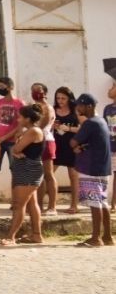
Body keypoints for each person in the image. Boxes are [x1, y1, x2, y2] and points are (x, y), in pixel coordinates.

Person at [70, 93, 113, 247]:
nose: (77, 108)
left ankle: (96, 238)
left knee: (95, 203)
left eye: (80, 105)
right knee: (102, 202)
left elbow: (73, 142)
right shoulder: (101, 120)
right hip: (102, 167)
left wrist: (77, 146)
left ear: (89, 106)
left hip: (91, 168)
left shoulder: (90, 123)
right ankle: (107, 236)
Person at [2, 104, 45, 246]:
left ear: (28, 118)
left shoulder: (33, 131)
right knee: (32, 203)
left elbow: (17, 148)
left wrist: (17, 146)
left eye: (21, 117)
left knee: (19, 205)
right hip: (26, 170)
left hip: (29, 170)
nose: (18, 119)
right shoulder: (30, 131)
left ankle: (10, 237)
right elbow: (16, 149)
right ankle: (36, 235)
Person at [0, 77, 25, 210]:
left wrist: (4, 137)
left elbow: (21, 125)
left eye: (2, 86)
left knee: (14, 171)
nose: (0, 89)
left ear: (10, 87)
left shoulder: (20, 103)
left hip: (12, 142)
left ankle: (14, 201)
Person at [30, 83, 59, 215]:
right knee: (38, 176)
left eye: (38, 90)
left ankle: (52, 207)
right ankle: (39, 206)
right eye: (33, 90)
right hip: (36, 141)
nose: (36, 92)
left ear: (45, 92)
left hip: (46, 141)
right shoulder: (34, 107)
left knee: (48, 174)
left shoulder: (47, 107)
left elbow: (42, 125)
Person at [52, 87, 81, 214]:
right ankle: (51, 205)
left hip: (71, 146)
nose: (60, 101)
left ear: (69, 98)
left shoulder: (76, 111)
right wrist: (51, 125)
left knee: (73, 176)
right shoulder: (53, 110)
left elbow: (82, 128)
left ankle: (74, 205)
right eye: (58, 98)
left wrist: (68, 129)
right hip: (56, 146)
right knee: (48, 174)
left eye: (63, 98)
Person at [104, 79, 116, 211]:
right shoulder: (107, 108)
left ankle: (113, 202)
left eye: (113, 86)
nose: (109, 89)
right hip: (109, 146)